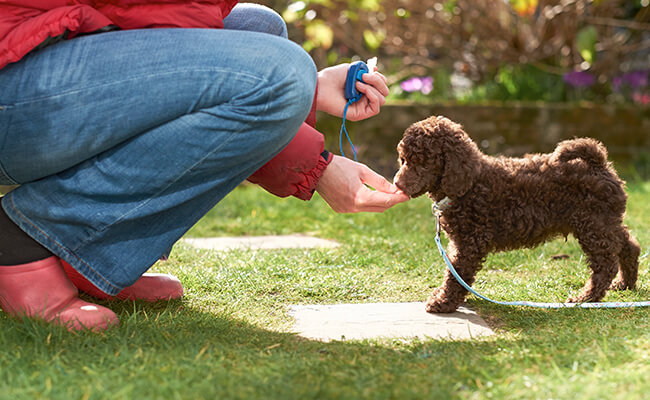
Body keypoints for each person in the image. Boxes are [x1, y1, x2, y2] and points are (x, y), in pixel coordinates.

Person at [0, 1, 409, 331]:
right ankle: (24, 240)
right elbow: (160, 22)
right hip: (13, 79)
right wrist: (308, 102)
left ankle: (84, 255)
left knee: (258, 27)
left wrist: (316, 161)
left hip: (39, 58)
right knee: (282, 74)